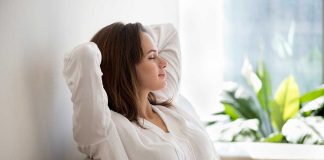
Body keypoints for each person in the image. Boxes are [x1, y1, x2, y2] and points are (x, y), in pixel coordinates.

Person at [63, 22, 218, 160]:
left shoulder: (166, 102)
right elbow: (84, 55)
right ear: (125, 68)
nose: (164, 63)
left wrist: (133, 33)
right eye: (152, 57)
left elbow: (170, 32)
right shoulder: (106, 130)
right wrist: (121, 42)